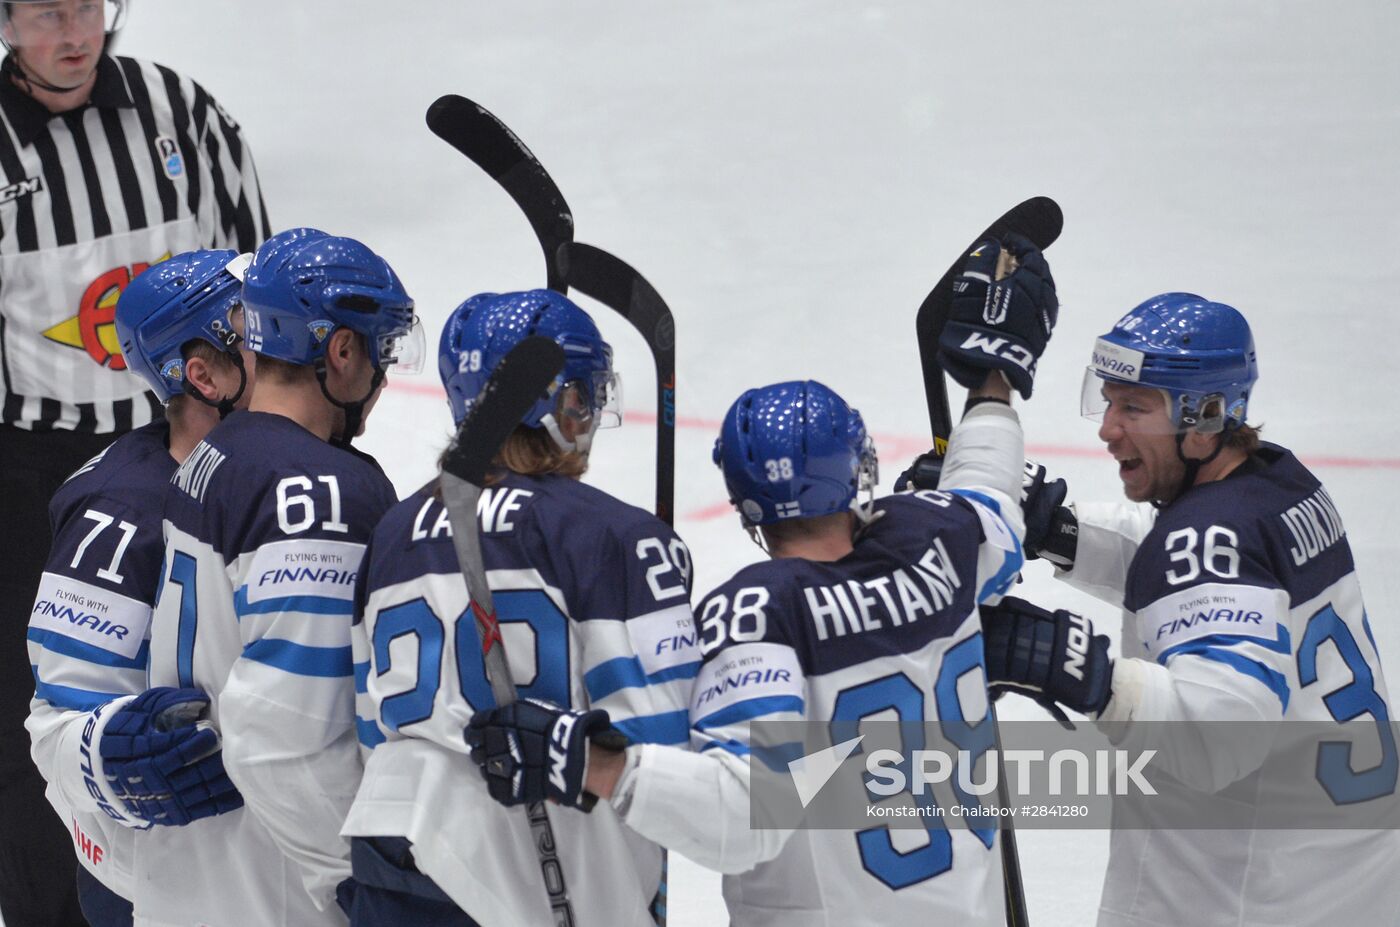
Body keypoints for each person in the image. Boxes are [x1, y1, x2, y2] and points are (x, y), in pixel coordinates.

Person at [465, 235, 1059, 925]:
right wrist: (992, 383)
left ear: (744, 504)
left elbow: (746, 814)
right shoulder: (940, 535)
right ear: (858, 467)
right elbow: (989, 492)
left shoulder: (756, 615)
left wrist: (595, 765)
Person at [976, 292, 1400, 926]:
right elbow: (1190, 576)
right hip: (1350, 873)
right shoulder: (1277, 484)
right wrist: (1059, 533)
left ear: (1203, 419)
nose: (1107, 428)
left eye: (1134, 408)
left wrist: (1073, 669)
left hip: (1248, 898)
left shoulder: (1205, 539)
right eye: (1108, 399)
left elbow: (1219, 737)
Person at [0, 2, 269, 920]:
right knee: (36, 711)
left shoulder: (177, 110)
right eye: (45, 12)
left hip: (191, 437)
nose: (74, 32)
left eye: (88, 6)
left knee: (208, 675)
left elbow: (255, 271)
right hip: (34, 465)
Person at [341, 288, 699, 926]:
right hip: (545, 880)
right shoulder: (611, 535)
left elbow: (371, 730)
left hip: (393, 866)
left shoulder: (392, 536)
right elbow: (672, 754)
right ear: (565, 404)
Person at [142, 228, 417, 926]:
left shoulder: (217, 452)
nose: (385, 374)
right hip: (278, 890)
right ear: (342, 351)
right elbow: (279, 736)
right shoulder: (317, 488)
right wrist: (355, 886)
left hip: (193, 877)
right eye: (381, 349)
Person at [25, 248, 255, 927]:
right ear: (202, 374)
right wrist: (109, 754)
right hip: (153, 883)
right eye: (254, 332)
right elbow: (58, 723)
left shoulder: (291, 466)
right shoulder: (118, 509)